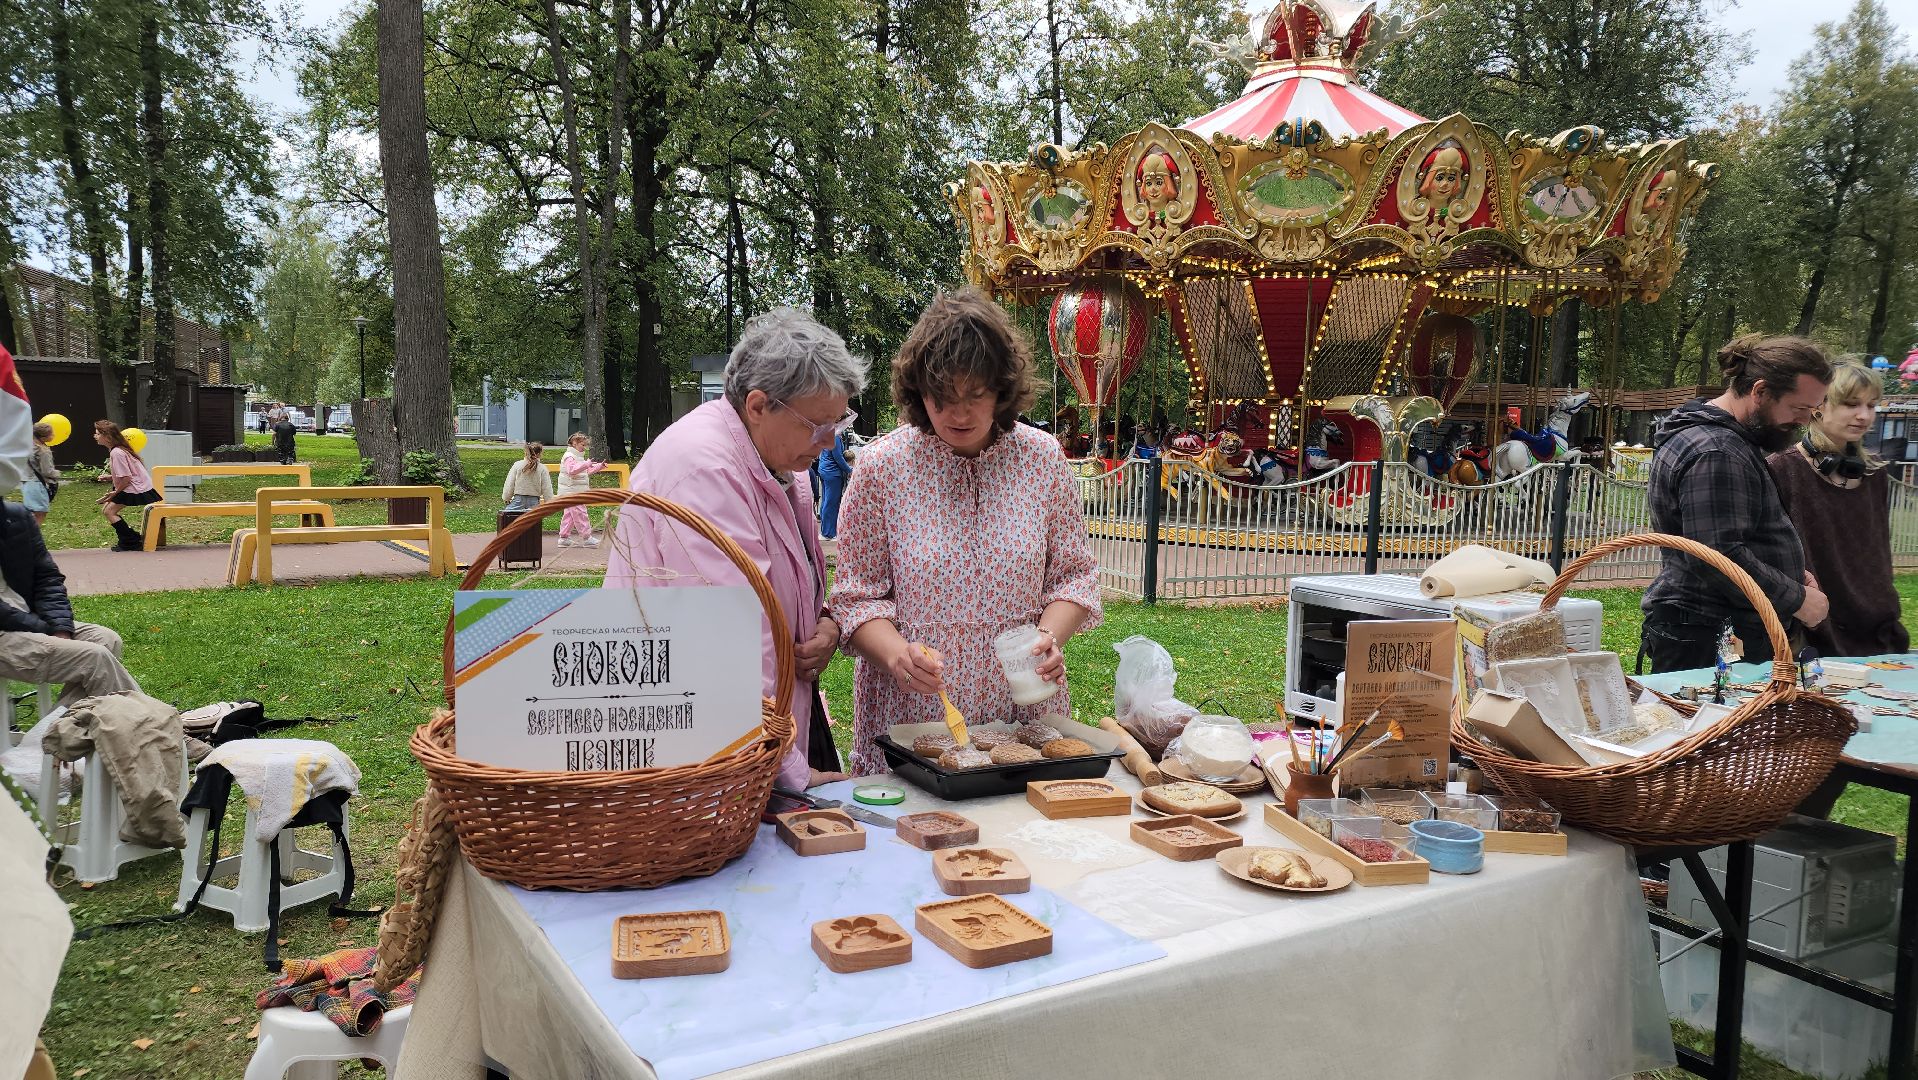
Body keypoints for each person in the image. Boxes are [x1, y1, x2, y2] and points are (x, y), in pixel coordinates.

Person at [830, 289, 1103, 775]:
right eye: (943, 397)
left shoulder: (1041, 460)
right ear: (918, 393)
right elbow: (856, 598)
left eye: (975, 395)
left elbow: (1073, 578)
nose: (959, 414)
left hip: (1021, 717)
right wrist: (896, 656)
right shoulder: (882, 468)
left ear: (1002, 389)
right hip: (913, 721)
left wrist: (1048, 639)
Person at [605, 309, 866, 791]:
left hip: (752, 735)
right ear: (759, 405)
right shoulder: (705, 471)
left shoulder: (777, 457)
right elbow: (729, 638)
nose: (830, 441)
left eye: (839, 421)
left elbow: (790, 578)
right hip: (708, 753)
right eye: (817, 425)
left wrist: (824, 622)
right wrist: (783, 768)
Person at [1641, 335, 1833, 672]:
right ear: (1759, 391)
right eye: (1799, 408)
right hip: (1710, 636)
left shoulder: (1725, 441)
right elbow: (1718, 556)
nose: (1804, 421)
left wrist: (1788, 574)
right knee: (1711, 726)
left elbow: (1730, 538)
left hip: (1713, 629)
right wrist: (1797, 599)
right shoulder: (1717, 451)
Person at [1768, 361, 1910, 657]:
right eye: (1850, 404)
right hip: (1811, 631)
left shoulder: (1875, 473)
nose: (1864, 415)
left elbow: (1878, 554)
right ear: (1818, 406)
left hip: (1878, 633)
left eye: (1871, 405)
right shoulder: (1781, 469)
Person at [0, 501, 140, 705]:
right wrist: (42, 628)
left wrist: (61, 629)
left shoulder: (16, 517)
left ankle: (55, 727)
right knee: (94, 658)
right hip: (8, 630)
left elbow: (47, 578)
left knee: (106, 639)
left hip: (29, 620)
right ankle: (153, 729)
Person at [93, 421, 157, 553]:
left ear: (108, 437)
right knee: (107, 510)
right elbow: (129, 473)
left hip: (134, 488)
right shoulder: (118, 450)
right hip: (134, 485)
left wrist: (115, 492)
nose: (95, 436)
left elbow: (127, 478)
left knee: (109, 512)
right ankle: (131, 538)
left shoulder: (117, 453)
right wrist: (110, 477)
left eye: (98, 433)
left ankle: (130, 542)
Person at [556, 431, 605, 547]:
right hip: (571, 491)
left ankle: (563, 538)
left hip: (574, 490)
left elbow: (584, 471)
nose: (584, 447)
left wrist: (598, 467)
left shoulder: (578, 457)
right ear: (574, 443)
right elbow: (571, 471)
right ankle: (587, 537)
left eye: (585, 445)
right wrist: (586, 465)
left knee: (570, 515)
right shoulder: (569, 457)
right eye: (582, 445)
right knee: (581, 513)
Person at [20, 422, 58, 525]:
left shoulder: (27, 447)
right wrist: (57, 473)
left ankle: (28, 536)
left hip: (26, 483)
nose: (53, 435)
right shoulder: (44, 451)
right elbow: (47, 471)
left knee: (31, 513)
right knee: (40, 514)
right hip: (37, 485)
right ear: (44, 437)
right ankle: (33, 538)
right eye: (51, 434)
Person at [815, 431, 850, 540]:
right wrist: (849, 470)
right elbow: (838, 457)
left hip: (824, 470)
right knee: (832, 502)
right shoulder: (836, 436)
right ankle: (829, 533)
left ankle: (825, 530)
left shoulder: (827, 434)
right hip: (833, 473)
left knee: (826, 501)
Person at [499, 441, 552, 512]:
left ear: (525, 452)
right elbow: (547, 487)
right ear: (539, 454)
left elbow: (510, 483)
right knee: (533, 521)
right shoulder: (542, 468)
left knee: (509, 518)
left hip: (518, 499)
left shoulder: (517, 465)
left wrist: (506, 498)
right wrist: (549, 502)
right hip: (534, 501)